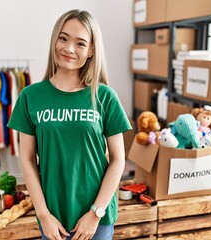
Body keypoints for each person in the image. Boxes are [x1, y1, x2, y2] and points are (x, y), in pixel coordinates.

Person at [7, 9, 132, 240]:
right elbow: (27, 160)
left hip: (97, 219)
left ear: (91, 50)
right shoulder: (30, 96)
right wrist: (43, 215)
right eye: (63, 38)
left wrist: (95, 213)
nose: (69, 48)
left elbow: (118, 160)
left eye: (80, 43)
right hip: (53, 219)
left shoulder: (104, 96)